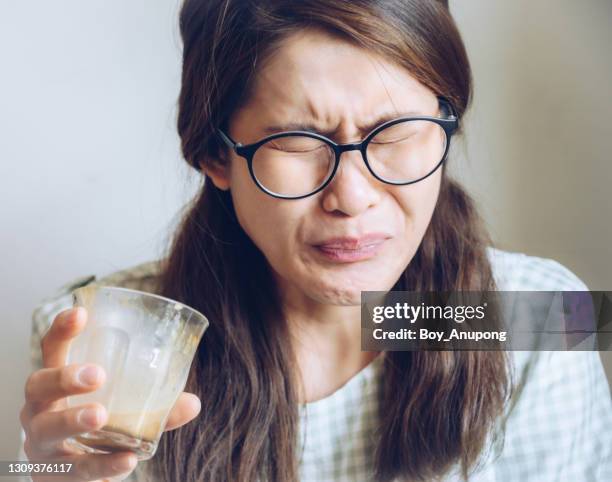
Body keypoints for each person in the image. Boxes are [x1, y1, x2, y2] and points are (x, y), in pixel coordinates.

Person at [18, 1, 612, 481]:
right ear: (214, 156)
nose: (351, 197)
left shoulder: (543, 317)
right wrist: (44, 478)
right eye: (299, 142)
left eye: (397, 132)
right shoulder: (114, 336)